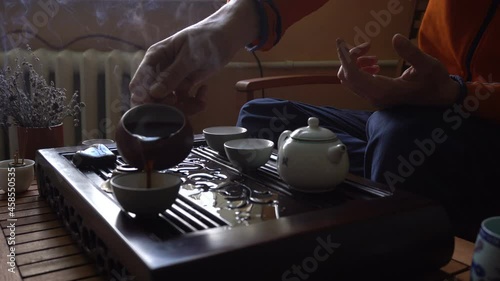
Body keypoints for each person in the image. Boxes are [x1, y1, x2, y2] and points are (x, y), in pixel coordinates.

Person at [129, 0, 500, 241]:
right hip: (415, 117)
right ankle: (336, 215)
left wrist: (458, 94)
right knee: (259, 118)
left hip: (477, 128)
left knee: (400, 138)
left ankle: (365, 246)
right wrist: (234, 20)